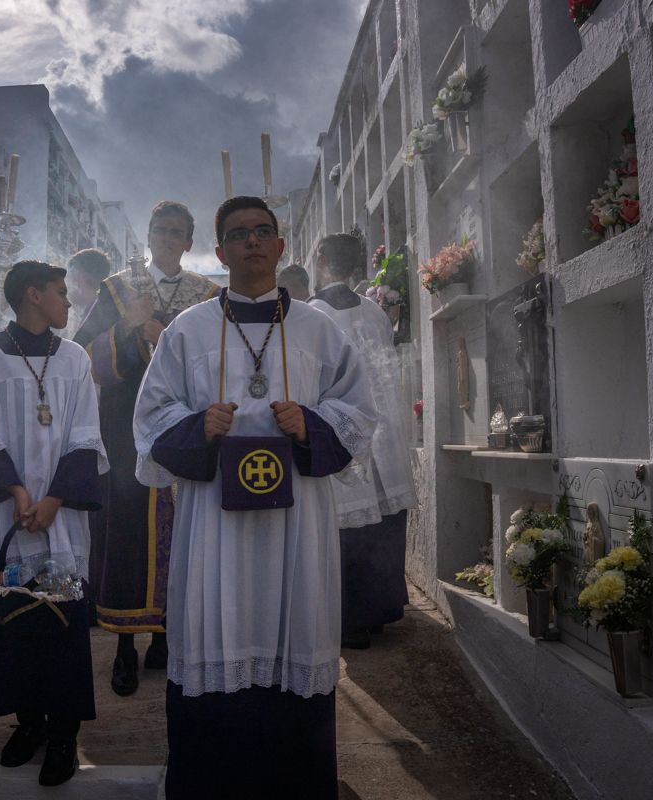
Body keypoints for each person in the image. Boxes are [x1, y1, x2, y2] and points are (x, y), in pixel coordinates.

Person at [133, 196, 377, 798]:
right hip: (213, 518)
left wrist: (312, 424)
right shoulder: (187, 332)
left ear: (281, 246)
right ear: (219, 253)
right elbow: (150, 415)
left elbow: (360, 412)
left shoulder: (320, 329)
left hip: (298, 522)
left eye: (262, 231)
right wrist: (198, 427)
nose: (251, 242)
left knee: (292, 633)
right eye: (237, 234)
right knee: (216, 634)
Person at [0, 260, 107, 787]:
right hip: (7, 514)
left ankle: (64, 734)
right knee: (13, 619)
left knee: (61, 626)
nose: (69, 302)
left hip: (58, 520)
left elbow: (87, 432)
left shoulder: (74, 357)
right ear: (33, 295)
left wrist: (55, 498)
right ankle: (30, 721)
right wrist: (19, 492)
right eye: (62, 293)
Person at [73, 201, 217, 696]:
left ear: (189, 241)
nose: (167, 237)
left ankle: (167, 639)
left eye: (178, 231)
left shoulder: (208, 295)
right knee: (129, 534)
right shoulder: (118, 289)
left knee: (186, 534)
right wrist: (130, 329)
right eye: (160, 229)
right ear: (149, 237)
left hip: (188, 428)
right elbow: (82, 358)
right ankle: (125, 648)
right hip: (125, 429)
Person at [310, 233, 418, 648]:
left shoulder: (312, 315)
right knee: (383, 524)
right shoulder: (374, 311)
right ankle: (381, 612)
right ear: (357, 267)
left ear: (321, 261)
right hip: (385, 434)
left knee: (348, 530)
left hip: (344, 433)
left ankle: (351, 622)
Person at [65, 248, 112, 333]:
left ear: (80, 276)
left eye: (72, 273)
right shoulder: (79, 313)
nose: (68, 282)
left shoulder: (101, 318)